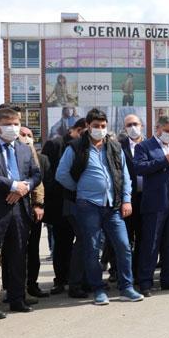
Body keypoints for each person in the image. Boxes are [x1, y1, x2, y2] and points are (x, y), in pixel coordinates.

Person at [55, 108, 143, 305]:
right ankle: (98, 289)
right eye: (96, 126)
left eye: (103, 126)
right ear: (88, 126)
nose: (100, 130)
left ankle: (126, 287)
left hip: (113, 206)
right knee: (92, 249)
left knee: (123, 246)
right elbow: (61, 174)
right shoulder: (75, 147)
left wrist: (126, 200)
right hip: (88, 206)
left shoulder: (114, 147)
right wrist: (79, 190)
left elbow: (125, 176)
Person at [133, 115, 169, 296]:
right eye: (167, 131)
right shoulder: (144, 146)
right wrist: (165, 160)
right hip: (156, 201)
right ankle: (145, 282)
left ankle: (168, 279)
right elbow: (140, 168)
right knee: (151, 243)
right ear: (157, 129)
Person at [0, 108, 42, 313]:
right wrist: (14, 186)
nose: (13, 128)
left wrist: (25, 187)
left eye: (16, 123)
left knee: (18, 255)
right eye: (8, 123)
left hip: (20, 209)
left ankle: (17, 299)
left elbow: (36, 174)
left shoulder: (23, 149)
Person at [42, 118, 88, 298]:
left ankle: (79, 278)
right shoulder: (55, 145)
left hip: (81, 202)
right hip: (60, 203)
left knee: (83, 241)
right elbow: (49, 174)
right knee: (62, 243)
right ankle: (61, 280)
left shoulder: (87, 146)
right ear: (77, 130)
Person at [17, 127, 49, 299]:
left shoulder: (35, 156)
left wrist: (38, 204)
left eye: (30, 135)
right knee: (15, 252)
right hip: (12, 208)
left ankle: (32, 285)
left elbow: (39, 182)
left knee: (32, 250)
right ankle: (13, 288)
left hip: (31, 209)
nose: (26, 138)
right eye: (23, 135)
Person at [116, 114, 146, 278]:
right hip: (126, 199)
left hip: (146, 198)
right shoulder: (118, 146)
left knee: (143, 237)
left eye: (135, 124)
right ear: (124, 128)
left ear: (141, 125)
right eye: (129, 125)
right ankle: (123, 273)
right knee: (125, 239)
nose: (132, 127)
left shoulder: (150, 145)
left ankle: (140, 273)